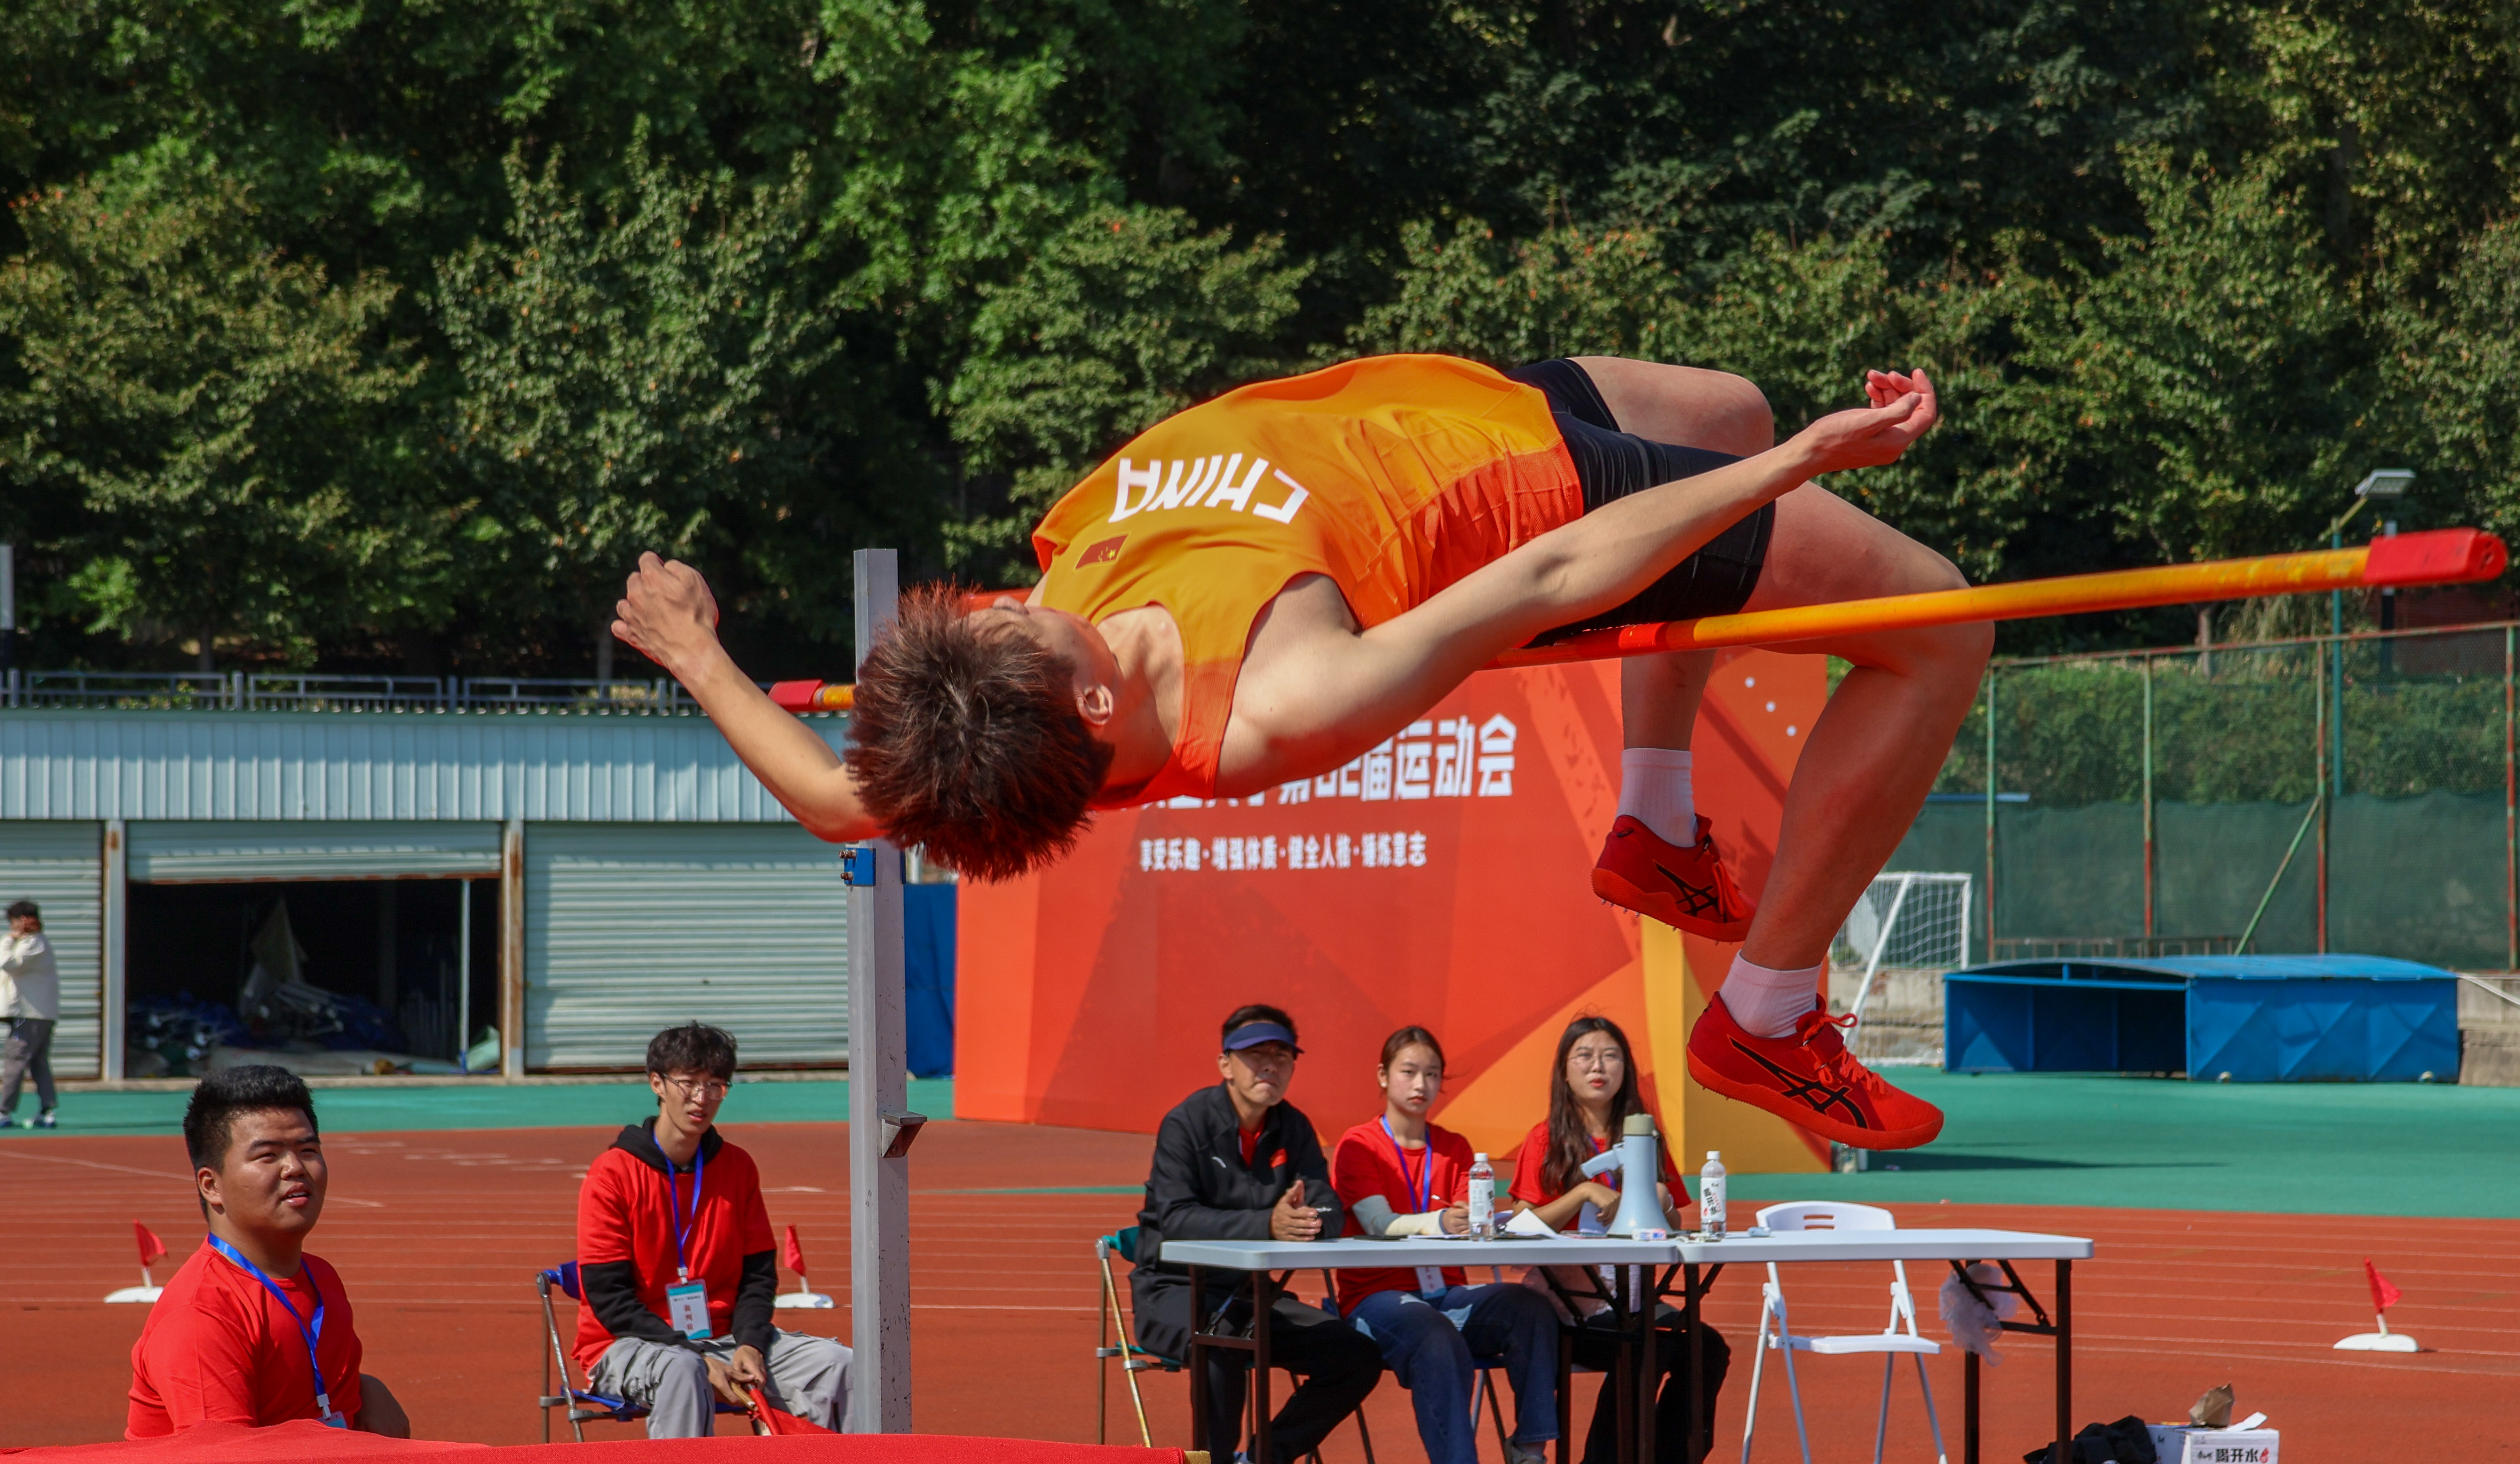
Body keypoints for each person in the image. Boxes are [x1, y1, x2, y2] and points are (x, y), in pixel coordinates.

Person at [613, 354, 1976, 1152]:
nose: (1017, 599)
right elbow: (1554, 574)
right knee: (1935, 621)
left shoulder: (985, 692)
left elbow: (830, 795)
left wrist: (694, 651)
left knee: (1721, 398)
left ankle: (1655, 818)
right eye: (1031, 630)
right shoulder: (1281, 696)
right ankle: (1766, 1014)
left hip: (1436, 411)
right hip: (1518, 503)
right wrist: (1794, 463)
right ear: (1093, 715)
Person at [1130, 1005, 1383, 1464]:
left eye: (1281, 1056)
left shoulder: (1293, 1126)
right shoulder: (1187, 1123)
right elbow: (1175, 1219)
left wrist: (1307, 1219)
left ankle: (1260, 1462)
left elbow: (1328, 1204)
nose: (1270, 1066)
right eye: (1256, 1056)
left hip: (1249, 1293)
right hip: (1173, 1288)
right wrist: (1266, 1222)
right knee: (1220, 1335)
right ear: (1225, 1064)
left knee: (1356, 1354)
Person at [1329, 1026, 1560, 1464]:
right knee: (1433, 1332)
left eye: (1432, 1074)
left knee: (1530, 1306)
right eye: (1409, 1072)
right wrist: (1438, 1222)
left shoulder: (1456, 1148)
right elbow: (1377, 1223)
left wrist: (1478, 1225)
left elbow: (1470, 1220)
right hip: (1377, 1299)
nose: (1421, 1084)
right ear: (1383, 1076)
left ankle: (1529, 1457)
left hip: (1446, 1294)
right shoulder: (1359, 1144)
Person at [574, 1021, 853, 1436]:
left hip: (726, 1338)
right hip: (626, 1344)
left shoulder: (737, 1167)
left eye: (716, 1086)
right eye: (688, 1083)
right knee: (684, 1369)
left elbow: (758, 1278)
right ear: (658, 1083)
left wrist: (751, 1344)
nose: (701, 1099)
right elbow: (609, 1300)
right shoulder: (611, 1174)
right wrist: (694, 1352)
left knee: (841, 1363)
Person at [1504, 1015, 1729, 1464]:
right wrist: (1583, 1191)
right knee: (1641, 1339)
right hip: (1568, 1308)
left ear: (1626, 1068)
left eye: (1610, 1055)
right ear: (1564, 1070)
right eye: (1584, 1055)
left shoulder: (1645, 1137)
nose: (1598, 1066)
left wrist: (1662, 1199)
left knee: (1705, 1345)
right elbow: (1519, 1224)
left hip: (1631, 1296)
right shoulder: (1545, 1138)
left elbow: (1673, 1222)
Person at [127, 1066, 411, 1438]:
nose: (295, 1168)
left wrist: (365, 1391)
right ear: (212, 1185)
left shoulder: (319, 1276)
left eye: (308, 1150)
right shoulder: (202, 1315)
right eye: (268, 1155)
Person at [0, 899, 59, 1129]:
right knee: (38, 1063)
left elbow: (7, 963)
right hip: (37, 1014)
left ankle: (3, 1111)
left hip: (31, 1015)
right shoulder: (32, 942)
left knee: (15, 1061)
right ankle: (47, 1112)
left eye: (15, 922)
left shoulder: (33, 943)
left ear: (22, 920)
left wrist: (9, 939)